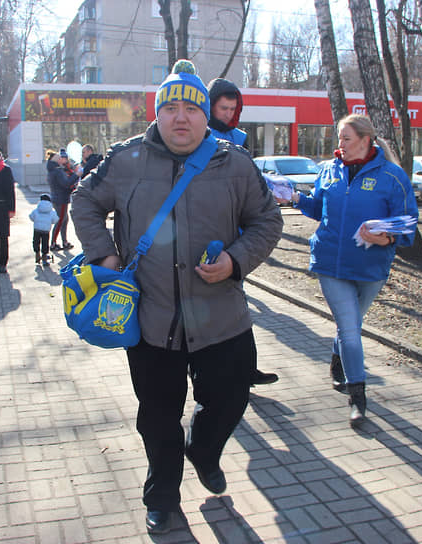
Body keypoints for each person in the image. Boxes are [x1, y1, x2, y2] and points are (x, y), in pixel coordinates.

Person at [71, 60, 283, 534]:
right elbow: (83, 200)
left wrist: (235, 260)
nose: (181, 117)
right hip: (151, 319)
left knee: (229, 400)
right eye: (171, 107)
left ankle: (204, 449)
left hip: (222, 316)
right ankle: (162, 495)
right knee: (158, 419)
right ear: (158, 114)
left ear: (207, 116)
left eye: (192, 107)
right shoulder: (126, 161)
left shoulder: (235, 163)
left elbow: (268, 221)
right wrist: (102, 255)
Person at [283, 114, 418, 426]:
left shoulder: (392, 176)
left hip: (371, 268)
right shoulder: (328, 170)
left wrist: (387, 236)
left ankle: (337, 358)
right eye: (338, 138)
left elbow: (408, 221)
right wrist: (294, 198)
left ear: (365, 140)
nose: (339, 145)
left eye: (346, 138)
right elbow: (318, 208)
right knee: (351, 330)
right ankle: (357, 396)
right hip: (331, 263)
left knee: (350, 325)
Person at [208, 77, 279, 387]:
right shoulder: (199, 135)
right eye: (223, 108)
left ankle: (246, 369)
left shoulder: (240, 137)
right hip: (207, 230)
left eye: (233, 108)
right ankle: (207, 374)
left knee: (237, 306)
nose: (228, 114)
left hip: (237, 236)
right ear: (209, 106)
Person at [47, 148, 78, 251]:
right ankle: (53, 243)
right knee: (61, 220)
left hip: (59, 198)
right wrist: (76, 175)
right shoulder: (57, 171)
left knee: (64, 220)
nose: (62, 159)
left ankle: (64, 242)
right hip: (61, 198)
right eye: (59, 158)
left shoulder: (53, 170)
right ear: (55, 160)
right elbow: (66, 183)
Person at [206, 78, 247, 146]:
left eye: (232, 109)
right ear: (211, 106)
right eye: (224, 108)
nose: (228, 115)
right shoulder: (198, 134)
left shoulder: (241, 138)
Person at [28, 193, 59, 265]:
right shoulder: (52, 211)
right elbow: (55, 220)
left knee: (36, 241)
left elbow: (31, 217)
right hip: (46, 230)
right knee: (45, 243)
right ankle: (44, 258)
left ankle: (37, 254)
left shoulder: (36, 210)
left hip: (37, 229)